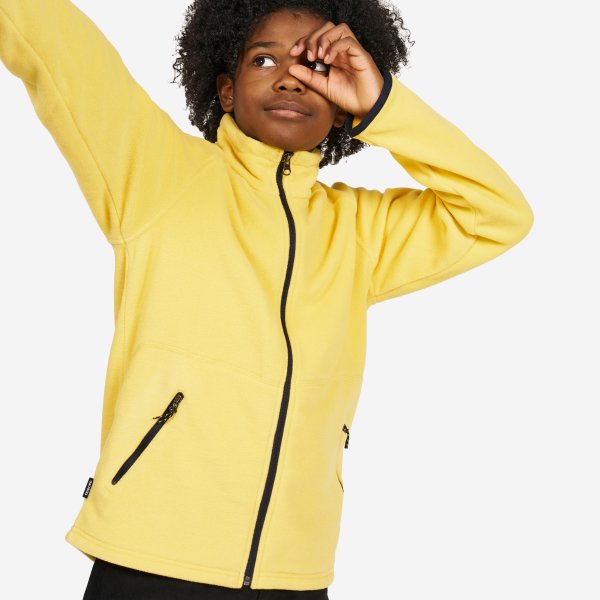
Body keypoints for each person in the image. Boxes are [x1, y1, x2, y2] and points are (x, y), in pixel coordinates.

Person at [0, 0, 534, 598]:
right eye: (263, 59)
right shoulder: (158, 176)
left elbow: (498, 215)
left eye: (314, 66)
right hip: (148, 558)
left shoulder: (360, 233)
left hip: (294, 571)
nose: (289, 78)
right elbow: (58, 47)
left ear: (341, 109)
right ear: (225, 91)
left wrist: (382, 105)